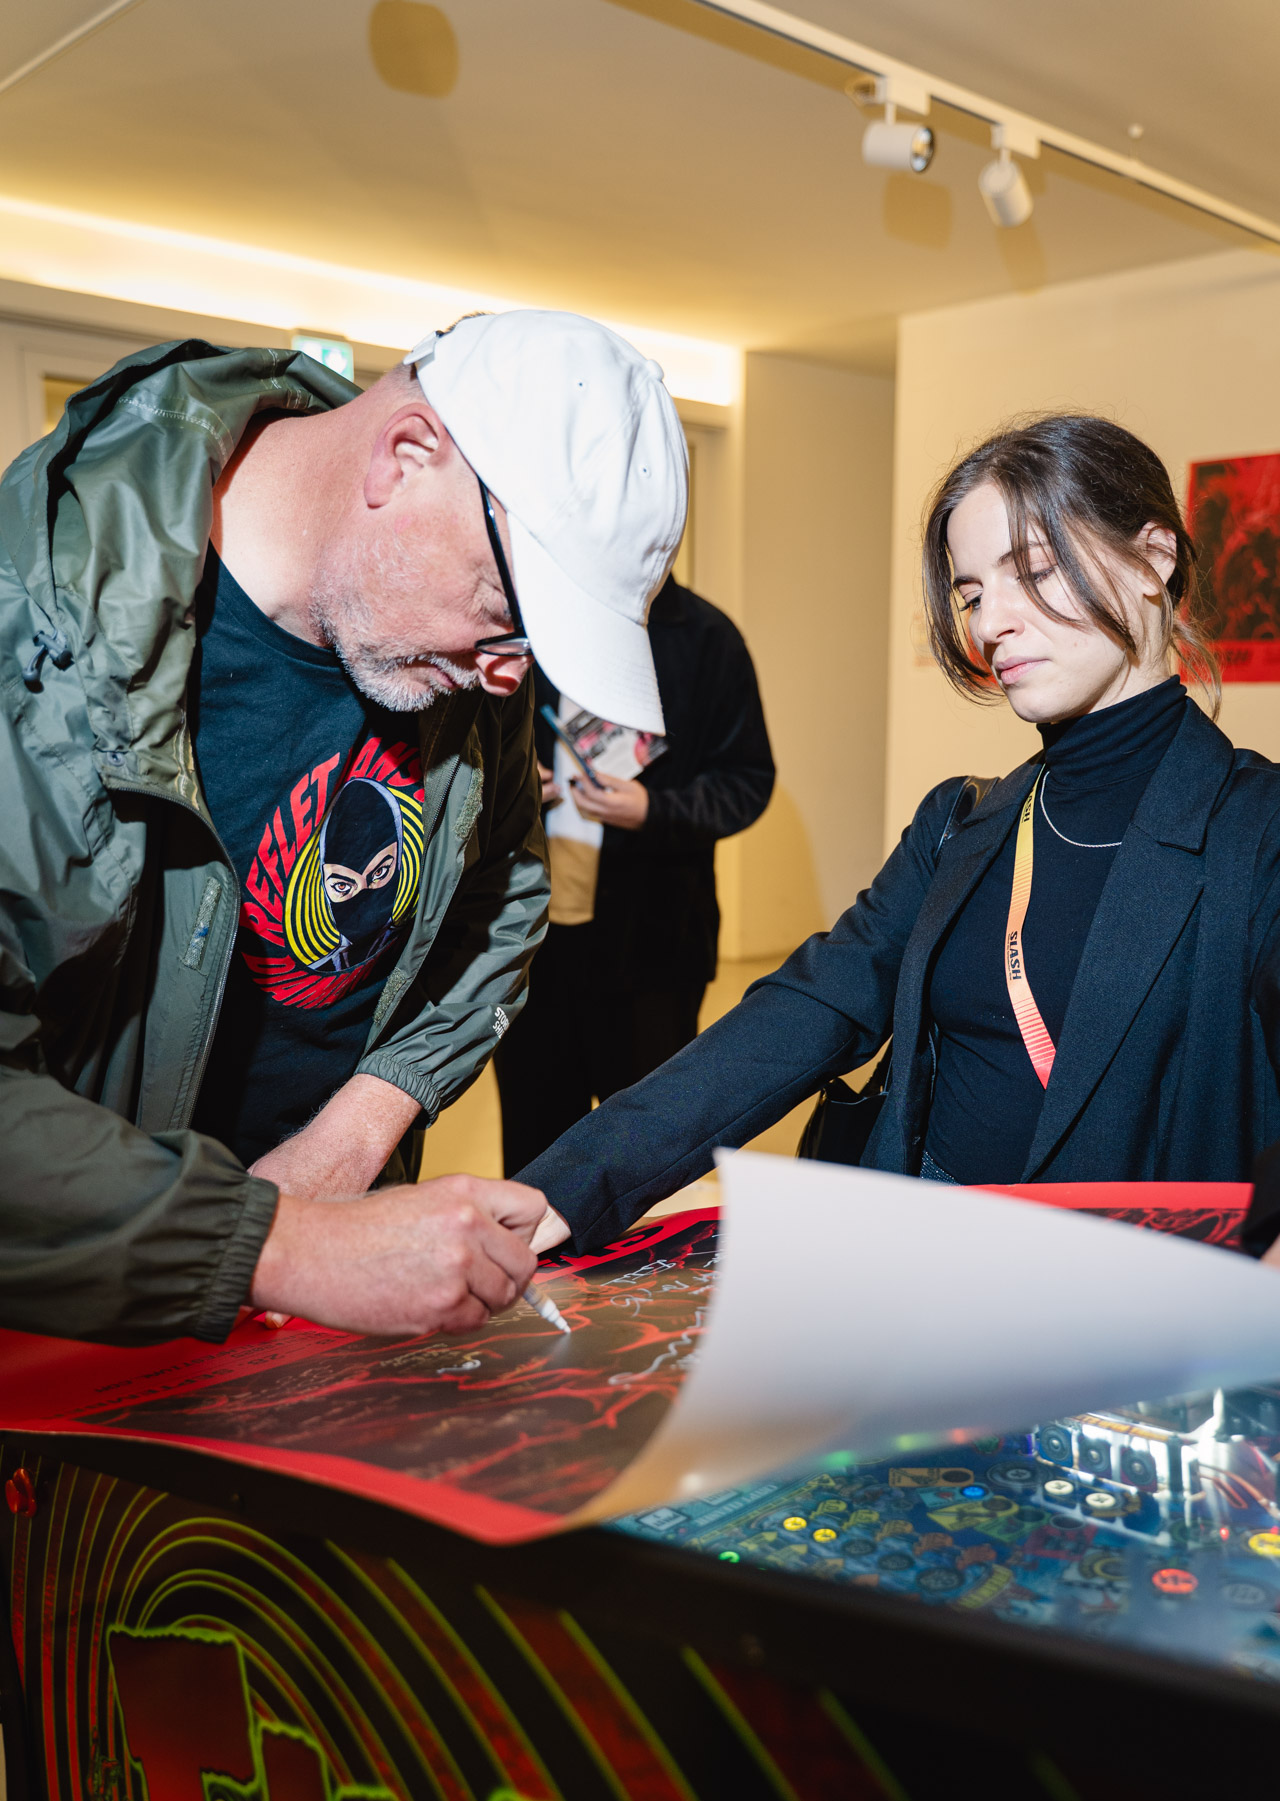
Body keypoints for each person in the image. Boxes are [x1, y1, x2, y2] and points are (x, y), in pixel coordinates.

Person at [0, 310, 687, 1343]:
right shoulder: (37, 623)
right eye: (506, 614)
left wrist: (363, 1125)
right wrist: (281, 1245)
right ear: (403, 456)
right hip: (80, 1321)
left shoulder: (455, 656)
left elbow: (502, 903)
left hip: (336, 1299)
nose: (509, 680)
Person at [521, 412, 1280, 1256]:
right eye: (972, 595)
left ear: (1152, 559)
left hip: (1143, 1305)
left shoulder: (1258, 834)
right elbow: (803, 1013)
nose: (990, 624)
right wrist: (570, 1182)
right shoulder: (961, 826)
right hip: (921, 1272)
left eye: (1033, 571)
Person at [494, 574, 775, 1173]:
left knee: (647, 1158)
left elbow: (748, 781)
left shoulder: (706, 638)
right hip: (525, 949)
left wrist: (655, 810)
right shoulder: (528, 621)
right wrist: (507, 786)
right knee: (533, 1156)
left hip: (653, 947)